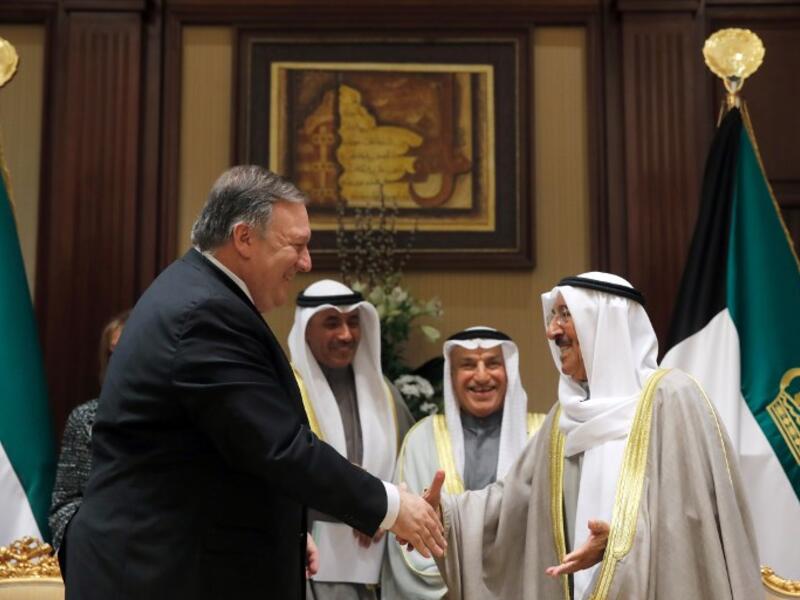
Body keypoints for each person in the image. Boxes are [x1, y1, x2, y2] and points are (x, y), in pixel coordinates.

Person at [64, 166, 445, 600]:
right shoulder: (203, 315)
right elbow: (278, 446)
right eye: (297, 245)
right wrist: (392, 507)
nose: (306, 262)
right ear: (244, 238)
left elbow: (225, 454)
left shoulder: (198, 294)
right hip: (161, 574)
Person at [425, 272, 761, 599]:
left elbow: (692, 525)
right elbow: (511, 504)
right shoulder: (564, 417)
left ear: (604, 324)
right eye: (552, 315)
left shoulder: (671, 398)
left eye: (565, 315)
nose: (552, 330)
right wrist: (442, 515)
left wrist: (619, 546)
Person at [382, 327, 546, 599]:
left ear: (509, 371)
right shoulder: (422, 439)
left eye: (493, 363)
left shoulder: (541, 437)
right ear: (452, 375)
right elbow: (408, 538)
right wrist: (465, 584)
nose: (481, 376)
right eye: (468, 365)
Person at [288, 279, 415, 599]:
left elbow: (410, 467)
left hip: (378, 570)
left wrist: (384, 510)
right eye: (332, 323)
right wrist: (360, 505)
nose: (346, 335)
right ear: (306, 329)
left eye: (353, 322)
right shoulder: (285, 392)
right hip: (307, 566)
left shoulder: (384, 393)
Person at [49, 309, 130, 563]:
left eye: (127, 349)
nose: (119, 359)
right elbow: (64, 505)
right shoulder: (86, 419)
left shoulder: (176, 417)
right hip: (99, 559)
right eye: (112, 352)